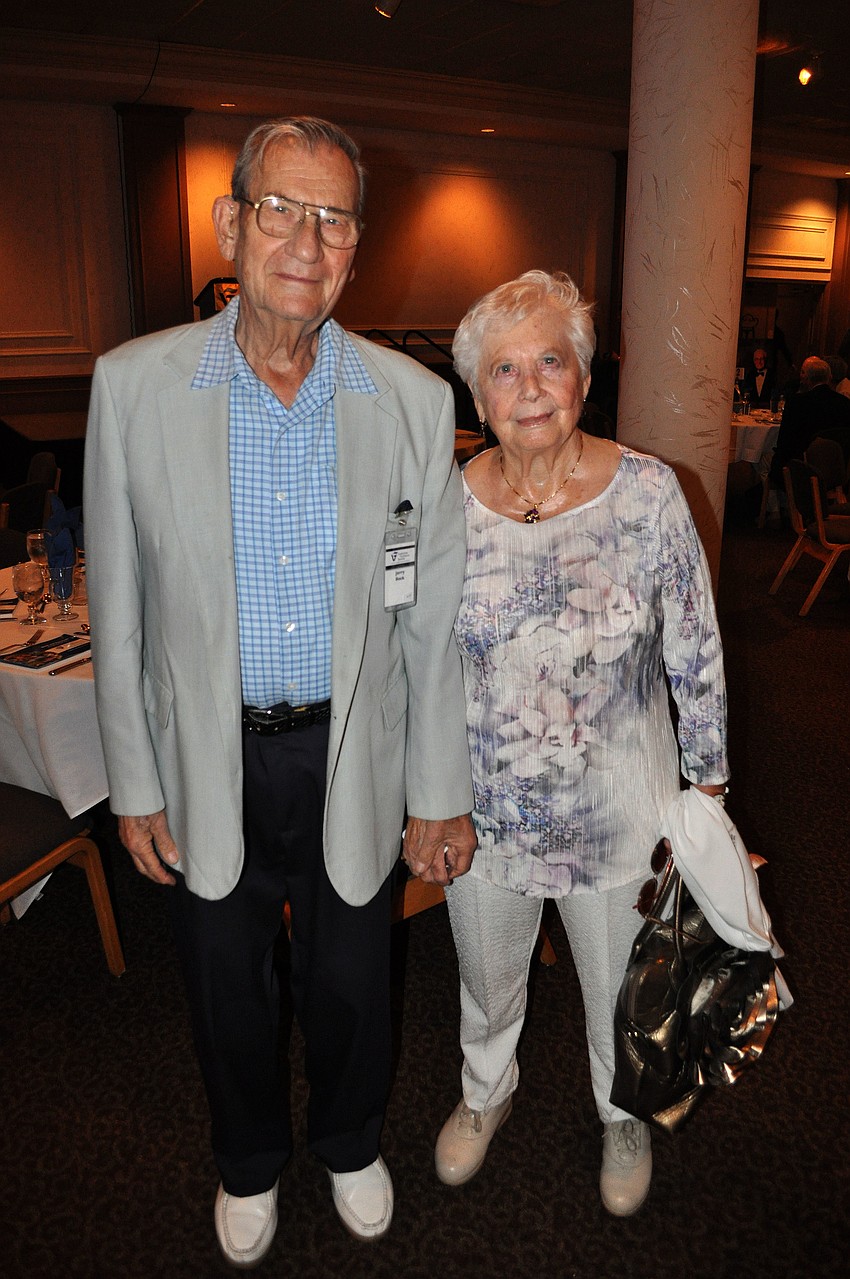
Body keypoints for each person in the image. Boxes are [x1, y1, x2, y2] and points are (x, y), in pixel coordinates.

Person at [84, 116, 476, 1267]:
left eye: (334, 217)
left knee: (356, 969)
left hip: (355, 748)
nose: (307, 239)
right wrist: (134, 781)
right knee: (223, 979)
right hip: (207, 749)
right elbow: (121, 608)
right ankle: (248, 1158)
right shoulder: (134, 385)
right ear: (231, 222)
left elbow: (430, 625)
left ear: (358, 244)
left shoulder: (411, 402)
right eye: (280, 209)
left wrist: (438, 793)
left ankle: (350, 1139)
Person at [434, 270, 729, 1217]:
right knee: (486, 973)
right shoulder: (442, 504)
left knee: (617, 980)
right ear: (477, 396)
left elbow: (695, 644)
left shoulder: (648, 495)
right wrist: (417, 794)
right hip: (482, 808)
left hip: (618, 808)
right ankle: (488, 1089)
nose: (527, 386)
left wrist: (709, 790)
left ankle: (621, 1110)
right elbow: (414, 662)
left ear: (583, 378)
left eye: (548, 361)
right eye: (503, 370)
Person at [771, 354, 850, 480]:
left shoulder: (796, 402)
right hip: (835, 471)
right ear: (829, 378)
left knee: (764, 458)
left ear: (807, 379)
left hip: (801, 470)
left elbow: (784, 441)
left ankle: (774, 499)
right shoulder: (845, 404)